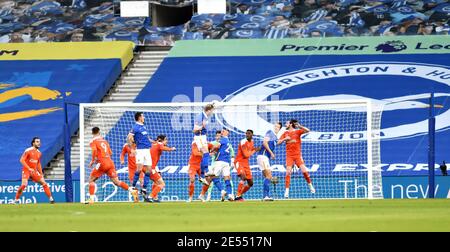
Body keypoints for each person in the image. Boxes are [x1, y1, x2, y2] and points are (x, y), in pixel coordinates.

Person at [88, 127, 138, 204]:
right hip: (110, 162)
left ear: (92, 133)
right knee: (117, 182)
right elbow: (110, 153)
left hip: (102, 162)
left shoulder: (93, 141)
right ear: (99, 132)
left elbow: (94, 150)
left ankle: (91, 199)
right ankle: (132, 190)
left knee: (91, 180)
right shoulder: (104, 141)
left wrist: (93, 160)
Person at [278, 119, 315, 199]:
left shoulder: (297, 132)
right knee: (288, 172)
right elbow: (277, 143)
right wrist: (285, 139)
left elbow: (308, 130)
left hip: (297, 155)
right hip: (289, 156)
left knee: (304, 171)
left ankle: (310, 185)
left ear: (291, 124)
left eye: (287, 123)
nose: (285, 124)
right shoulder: (285, 133)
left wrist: (300, 126)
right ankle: (287, 191)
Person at [15, 137, 55, 204]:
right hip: (26, 170)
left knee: (44, 183)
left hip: (34, 171)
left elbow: (38, 163)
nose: (39, 143)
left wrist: (41, 173)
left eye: (39, 141)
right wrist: (28, 168)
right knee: (24, 185)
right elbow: (21, 160)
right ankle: (15, 200)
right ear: (33, 143)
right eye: (37, 141)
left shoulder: (39, 153)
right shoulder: (28, 150)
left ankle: (51, 200)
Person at [143, 135, 176, 202]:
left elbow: (156, 143)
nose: (167, 141)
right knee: (162, 184)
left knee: (156, 182)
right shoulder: (159, 144)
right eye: (166, 139)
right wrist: (171, 149)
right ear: (161, 140)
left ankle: (154, 198)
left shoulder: (154, 144)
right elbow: (162, 147)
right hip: (150, 168)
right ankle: (150, 197)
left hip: (146, 166)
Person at [127, 112, 153, 199]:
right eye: (143, 116)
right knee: (139, 169)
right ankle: (133, 186)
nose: (144, 117)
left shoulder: (143, 126)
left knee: (149, 170)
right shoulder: (135, 127)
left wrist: (153, 141)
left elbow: (146, 138)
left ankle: (144, 189)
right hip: (140, 150)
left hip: (147, 150)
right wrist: (132, 148)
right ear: (139, 117)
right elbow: (129, 137)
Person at [205, 128, 235, 201]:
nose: (222, 132)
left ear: (227, 132)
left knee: (212, 176)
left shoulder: (223, 139)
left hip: (219, 161)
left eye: (223, 131)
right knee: (227, 178)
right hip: (226, 162)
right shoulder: (228, 141)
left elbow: (217, 146)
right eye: (222, 131)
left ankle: (222, 190)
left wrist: (211, 150)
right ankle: (230, 195)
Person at [257, 122, 282, 201]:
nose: (276, 127)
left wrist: (284, 139)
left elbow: (276, 143)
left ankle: (266, 196)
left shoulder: (275, 137)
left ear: (280, 129)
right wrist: (271, 153)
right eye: (275, 126)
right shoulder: (270, 132)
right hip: (263, 156)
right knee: (269, 176)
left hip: (264, 157)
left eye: (277, 127)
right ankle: (266, 196)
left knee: (268, 177)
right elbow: (264, 142)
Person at [234, 129, 260, 201]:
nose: (247, 135)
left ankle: (238, 195)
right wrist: (255, 150)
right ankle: (238, 196)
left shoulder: (252, 142)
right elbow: (246, 154)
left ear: (252, 135)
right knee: (243, 177)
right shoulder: (243, 142)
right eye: (246, 134)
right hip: (239, 161)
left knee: (250, 183)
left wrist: (255, 149)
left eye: (249, 134)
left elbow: (250, 150)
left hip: (246, 163)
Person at [193, 103, 215, 185]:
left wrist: (213, 105)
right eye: (212, 111)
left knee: (206, 154)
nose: (212, 113)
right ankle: (204, 173)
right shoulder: (200, 116)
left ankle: (203, 175)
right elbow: (194, 130)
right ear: (208, 110)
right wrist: (202, 126)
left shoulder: (205, 116)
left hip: (203, 137)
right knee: (206, 154)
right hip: (199, 137)